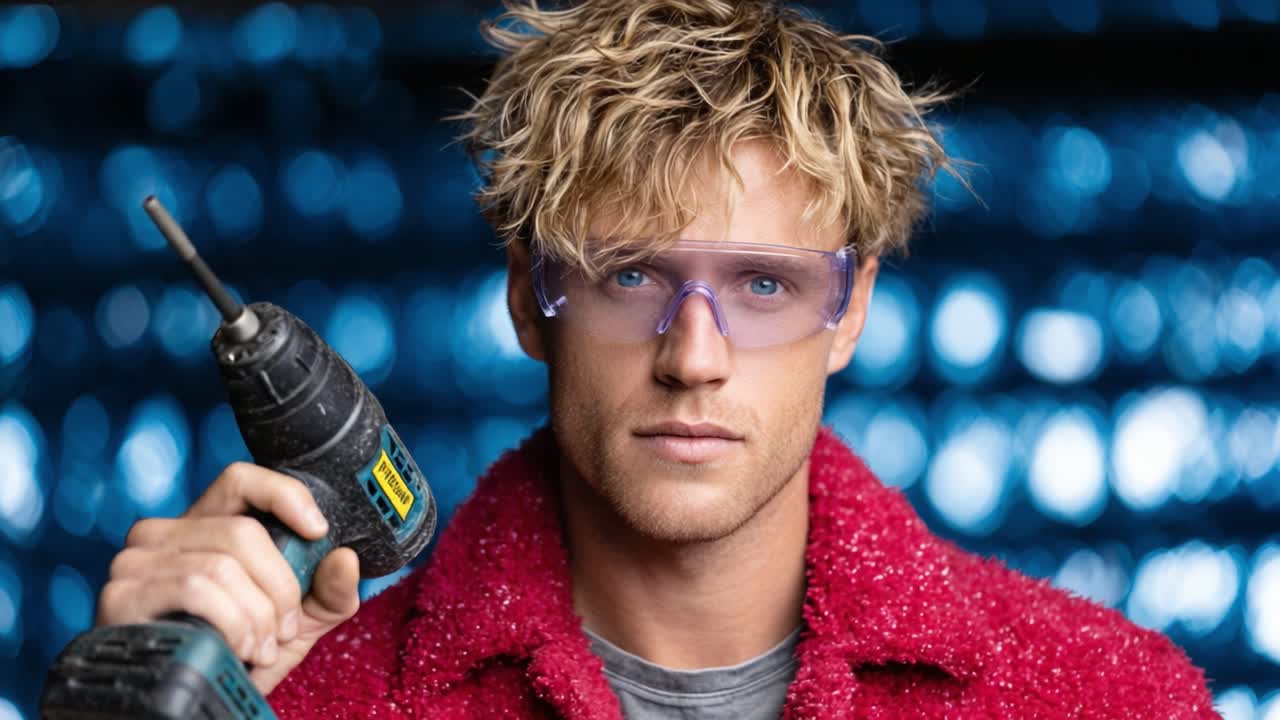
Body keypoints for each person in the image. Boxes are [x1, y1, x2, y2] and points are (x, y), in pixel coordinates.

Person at [95, 1, 1220, 717]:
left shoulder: (1104, 697)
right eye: (628, 276)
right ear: (529, 298)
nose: (694, 356)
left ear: (851, 312)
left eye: (764, 287)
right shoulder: (307, 702)